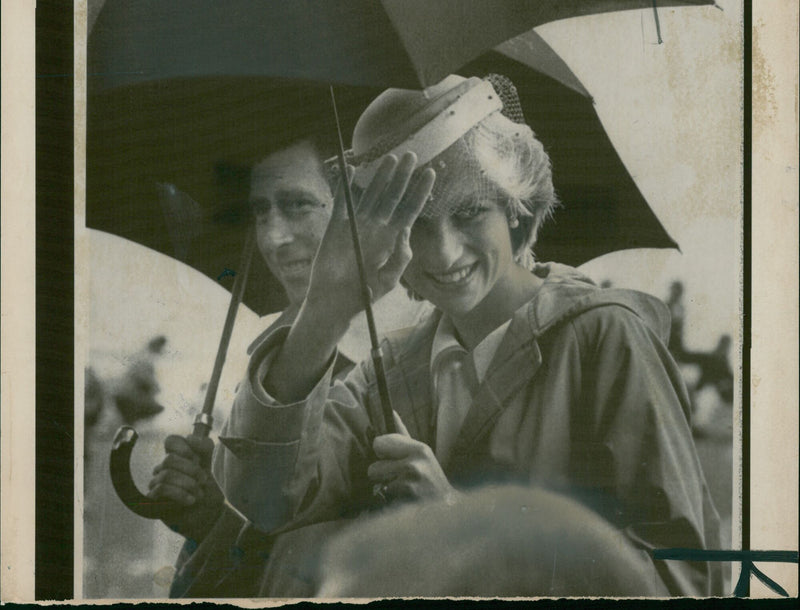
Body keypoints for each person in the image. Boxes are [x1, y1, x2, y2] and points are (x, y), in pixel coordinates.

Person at [188, 74, 722, 597]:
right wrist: (327, 307)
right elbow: (266, 499)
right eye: (416, 223)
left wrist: (462, 525)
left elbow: (682, 580)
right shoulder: (392, 366)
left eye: (469, 213)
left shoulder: (604, 337)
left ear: (517, 208)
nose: (443, 253)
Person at [147, 133, 429, 597]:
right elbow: (261, 550)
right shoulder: (268, 356)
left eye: (297, 205)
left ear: (355, 213)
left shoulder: (421, 343)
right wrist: (212, 519)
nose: (274, 238)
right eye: (261, 211)